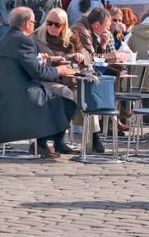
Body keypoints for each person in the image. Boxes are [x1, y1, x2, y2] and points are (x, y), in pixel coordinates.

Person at [0, 7, 77, 158]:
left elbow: (26, 61)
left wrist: (50, 60)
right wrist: (59, 71)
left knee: (62, 94)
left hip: (9, 91)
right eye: (33, 22)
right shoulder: (23, 40)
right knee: (67, 98)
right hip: (21, 93)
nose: (34, 25)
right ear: (27, 24)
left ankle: (51, 142)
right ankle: (43, 143)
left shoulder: (8, 38)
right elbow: (37, 72)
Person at [33, 8, 105, 149]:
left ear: (64, 26)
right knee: (66, 94)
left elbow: (88, 55)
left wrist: (81, 56)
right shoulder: (36, 38)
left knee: (86, 94)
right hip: (47, 80)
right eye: (50, 23)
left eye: (57, 24)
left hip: (70, 79)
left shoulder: (72, 37)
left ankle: (94, 136)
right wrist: (51, 61)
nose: (52, 27)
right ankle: (57, 138)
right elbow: (31, 61)